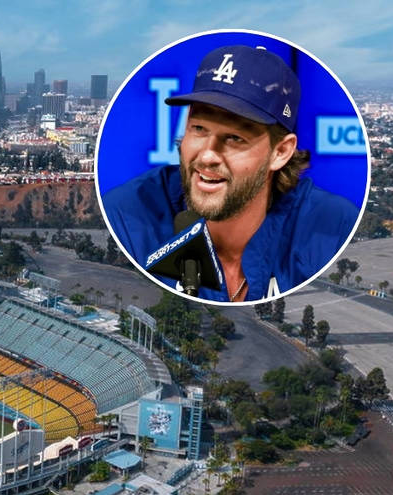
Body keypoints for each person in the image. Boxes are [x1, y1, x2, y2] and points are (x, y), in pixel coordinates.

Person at [103, 44, 359, 302]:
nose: (206, 156)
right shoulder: (130, 214)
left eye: (235, 138)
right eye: (199, 128)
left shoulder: (330, 230)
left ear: (280, 152)